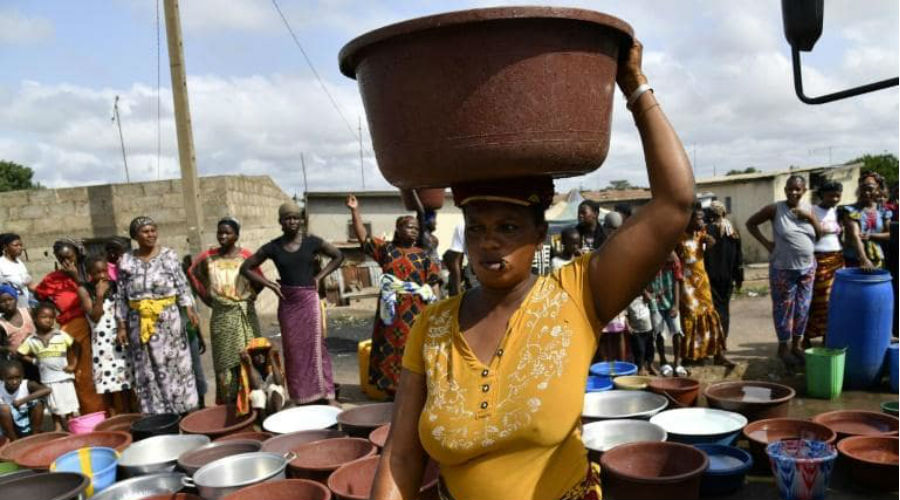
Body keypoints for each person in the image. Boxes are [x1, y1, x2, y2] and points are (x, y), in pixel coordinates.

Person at [372, 39, 696, 500]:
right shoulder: (433, 326)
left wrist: (634, 86)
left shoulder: (579, 295)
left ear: (539, 235)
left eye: (508, 226)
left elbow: (674, 203)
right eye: (476, 227)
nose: (489, 240)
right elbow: (401, 456)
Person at [240, 201, 344, 406]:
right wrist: (269, 284)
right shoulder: (273, 247)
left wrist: (320, 277)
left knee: (317, 347)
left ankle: (326, 394)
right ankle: (298, 396)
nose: (292, 221)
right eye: (287, 218)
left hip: (309, 300)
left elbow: (338, 256)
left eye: (295, 217)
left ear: (301, 220)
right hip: (288, 302)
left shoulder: (312, 242)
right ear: (280, 222)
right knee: (293, 349)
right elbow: (246, 267)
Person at [347, 195, 441, 398]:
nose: (414, 231)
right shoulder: (387, 250)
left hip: (416, 311)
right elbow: (364, 238)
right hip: (390, 312)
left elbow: (433, 284)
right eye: (409, 227)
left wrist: (437, 312)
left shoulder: (423, 256)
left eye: (416, 228)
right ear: (398, 229)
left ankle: (415, 394)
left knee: (414, 349)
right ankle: (392, 395)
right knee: (389, 349)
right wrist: (355, 211)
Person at [116, 216, 200, 415]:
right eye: (145, 231)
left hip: (168, 320)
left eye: (153, 230)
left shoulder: (169, 255)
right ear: (135, 236)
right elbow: (120, 294)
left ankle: (182, 409)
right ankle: (157, 413)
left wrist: (189, 308)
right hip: (139, 320)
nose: (150, 234)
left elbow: (181, 284)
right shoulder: (125, 260)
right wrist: (121, 325)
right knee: (147, 367)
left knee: (175, 363)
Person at [746, 175, 822, 370]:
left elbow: (819, 235)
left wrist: (810, 218)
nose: (793, 193)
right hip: (783, 268)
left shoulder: (810, 209)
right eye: (790, 189)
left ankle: (796, 346)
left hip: (807, 267)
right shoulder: (775, 209)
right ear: (785, 190)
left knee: (803, 307)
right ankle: (783, 348)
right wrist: (767, 244)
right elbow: (751, 223)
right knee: (783, 309)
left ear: (804, 190)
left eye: (798, 189)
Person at [188, 217, 263, 404]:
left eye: (228, 232)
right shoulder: (208, 257)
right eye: (220, 232)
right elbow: (192, 273)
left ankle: (254, 404)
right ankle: (230, 405)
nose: (223, 236)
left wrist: (251, 295)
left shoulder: (246, 256)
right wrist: (207, 298)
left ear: (236, 235)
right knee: (225, 364)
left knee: (251, 358)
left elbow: (260, 278)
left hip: (244, 313)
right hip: (221, 316)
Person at [35, 239, 106, 414]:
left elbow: (96, 292)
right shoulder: (53, 279)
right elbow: (39, 295)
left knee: (104, 369)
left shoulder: (90, 271)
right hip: (73, 327)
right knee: (83, 374)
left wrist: (75, 277)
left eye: (69, 257)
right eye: (61, 259)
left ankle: (116, 410)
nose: (66, 262)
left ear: (78, 254)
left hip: (99, 325)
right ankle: (94, 413)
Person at [677, 205, 734, 367]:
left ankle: (718, 355)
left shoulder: (701, 234)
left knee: (710, 315)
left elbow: (708, 247)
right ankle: (692, 356)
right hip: (686, 285)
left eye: (703, 218)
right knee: (691, 317)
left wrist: (710, 242)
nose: (702, 222)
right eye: (699, 218)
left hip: (702, 282)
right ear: (688, 219)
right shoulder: (678, 238)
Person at [76, 256, 134, 415]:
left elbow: (124, 310)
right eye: (97, 272)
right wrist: (99, 295)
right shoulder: (84, 289)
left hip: (119, 338)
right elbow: (95, 316)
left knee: (125, 380)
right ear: (89, 274)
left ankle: (129, 414)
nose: (102, 275)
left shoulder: (116, 287)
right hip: (101, 343)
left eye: (104, 271)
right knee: (107, 383)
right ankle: (112, 416)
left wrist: (123, 329)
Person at [18, 303, 80, 430]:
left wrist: (73, 364)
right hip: (47, 378)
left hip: (64, 376)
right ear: (35, 319)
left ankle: (70, 423)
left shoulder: (61, 335)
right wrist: (35, 361)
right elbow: (20, 353)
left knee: (67, 401)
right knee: (52, 403)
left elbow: (76, 346)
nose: (48, 320)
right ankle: (57, 426)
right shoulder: (32, 340)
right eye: (44, 317)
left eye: (51, 317)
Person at [803, 181, 844, 345]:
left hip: (837, 259)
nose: (834, 199)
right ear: (821, 195)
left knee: (835, 299)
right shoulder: (812, 211)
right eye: (830, 195)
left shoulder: (838, 212)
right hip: (819, 258)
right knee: (819, 299)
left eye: (837, 195)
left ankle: (828, 335)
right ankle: (806, 335)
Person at [704, 201, 743, 342]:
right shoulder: (733, 232)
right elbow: (739, 258)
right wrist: (739, 279)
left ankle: (714, 341)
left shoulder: (705, 232)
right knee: (724, 309)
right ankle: (722, 339)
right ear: (724, 213)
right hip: (728, 277)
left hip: (710, 277)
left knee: (713, 309)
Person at [840, 171, 893, 270]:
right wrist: (863, 259)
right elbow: (855, 236)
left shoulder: (883, 211)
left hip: (877, 257)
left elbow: (889, 234)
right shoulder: (851, 210)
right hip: (855, 259)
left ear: (878, 189)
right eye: (863, 188)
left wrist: (871, 235)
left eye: (870, 189)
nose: (866, 192)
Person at [647, 251, 685, 377]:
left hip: (671, 301)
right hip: (655, 302)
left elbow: (677, 281)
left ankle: (677, 362)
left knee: (677, 330)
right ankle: (663, 361)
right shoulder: (649, 257)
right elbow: (643, 277)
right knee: (658, 332)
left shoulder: (673, 258)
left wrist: (676, 304)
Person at [236, 337, 287, 424]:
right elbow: (256, 385)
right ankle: (264, 424)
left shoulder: (271, 366)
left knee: (274, 388)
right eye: (257, 354)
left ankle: (280, 420)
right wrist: (249, 363)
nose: (261, 357)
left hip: (274, 404)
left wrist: (271, 357)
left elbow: (279, 382)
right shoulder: (250, 368)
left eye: (263, 353)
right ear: (251, 357)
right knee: (257, 393)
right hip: (262, 409)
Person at [181, 255, 208, 408]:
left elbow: (193, 315)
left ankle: (201, 402)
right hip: (183, 335)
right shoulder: (182, 288)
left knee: (196, 369)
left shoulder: (189, 289)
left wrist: (200, 337)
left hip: (190, 334)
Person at [0, 359, 50, 440]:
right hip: (9, 425)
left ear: (22, 376)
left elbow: (47, 390)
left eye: (17, 377)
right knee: (4, 409)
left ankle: (34, 436)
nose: (15, 381)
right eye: (10, 379)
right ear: (2, 378)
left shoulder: (26, 384)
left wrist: (22, 401)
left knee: (38, 404)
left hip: (26, 419)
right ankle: (14, 440)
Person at [0, 233, 35, 308]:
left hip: (24, 306)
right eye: (16, 245)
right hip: (7, 309)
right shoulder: (1, 264)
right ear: (5, 247)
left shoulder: (20, 263)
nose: (20, 248)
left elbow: (30, 285)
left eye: (21, 245)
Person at [627, 294, 654, 375]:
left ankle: (650, 366)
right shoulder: (627, 301)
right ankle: (640, 368)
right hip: (636, 331)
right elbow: (625, 315)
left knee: (650, 350)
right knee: (640, 350)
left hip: (648, 329)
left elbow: (650, 298)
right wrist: (628, 326)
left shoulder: (643, 297)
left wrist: (644, 291)